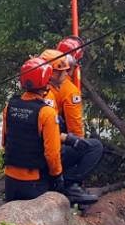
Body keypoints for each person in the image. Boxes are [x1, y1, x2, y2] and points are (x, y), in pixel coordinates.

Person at [2, 56, 66, 203]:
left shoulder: (9, 107)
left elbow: (5, 141)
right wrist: (57, 176)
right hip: (34, 181)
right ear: (45, 82)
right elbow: (52, 153)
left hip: (10, 178)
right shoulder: (47, 113)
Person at [41, 48, 101, 205]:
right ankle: (70, 184)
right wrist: (74, 141)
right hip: (50, 148)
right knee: (93, 147)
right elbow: (74, 128)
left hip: (29, 154)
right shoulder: (66, 91)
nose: (67, 73)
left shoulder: (36, 89)